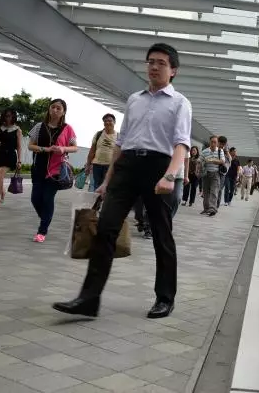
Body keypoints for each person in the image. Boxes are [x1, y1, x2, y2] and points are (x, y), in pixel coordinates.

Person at [53, 43, 191, 319]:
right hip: (127, 167)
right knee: (105, 228)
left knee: (161, 235)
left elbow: (181, 144)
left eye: (161, 63)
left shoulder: (180, 103)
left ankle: (165, 298)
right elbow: (122, 142)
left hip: (158, 167)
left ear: (173, 70)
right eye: (151, 61)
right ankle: (88, 299)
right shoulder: (134, 100)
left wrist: (169, 175)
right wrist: (108, 180)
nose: (154, 67)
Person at [27, 99, 78, 242]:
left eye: (58, 108)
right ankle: (46, 218)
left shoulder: (68, 128)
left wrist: (63, 148)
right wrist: (46, 149)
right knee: (35, 198)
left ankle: (42, 231)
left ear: (63, 112)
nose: (55, 110)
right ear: (49, 109)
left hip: (56, 170)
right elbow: (30, 146)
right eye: (53, 107)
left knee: (48, 198)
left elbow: (75, 147)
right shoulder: (39, 126)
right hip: (38, 168)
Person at [0, 108, 22, 208]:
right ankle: (3, 192)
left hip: (9, 156)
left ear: (13, 116)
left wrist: (19, 161)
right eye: (6, 116)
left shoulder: (17, 130)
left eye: (9, 116)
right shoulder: (0, 127)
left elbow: (19, 147)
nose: (8, 118)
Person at [85, 114, 117, 192]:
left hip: (110, 166)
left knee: (107, 187)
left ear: (114, 122)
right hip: (97, 165)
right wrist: (88, 165)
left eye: (110, 121)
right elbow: (92, 151)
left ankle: (104, 200)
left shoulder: (119, 136)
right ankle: (97, 200)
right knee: (96, 186)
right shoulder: (98, 134)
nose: (107, 122)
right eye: (105, 121)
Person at [200, 136, 224, 216]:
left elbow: (222, 161)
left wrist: (213, 160)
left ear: (217, 143)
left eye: (215, 142)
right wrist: (200, 164)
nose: (213, 144)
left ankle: (213, 208)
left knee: (214, 191)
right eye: (212, 142)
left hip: (215, 174)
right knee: (205, 192)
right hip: (206, 173)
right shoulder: (205, 151)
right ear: (209, 142)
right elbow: (200, 160)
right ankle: (206, 208)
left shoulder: (220, 151)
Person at [216, 136, 230, 208]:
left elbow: (228, 163)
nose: (221, 146)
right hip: (213, 171)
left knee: (219, 189)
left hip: (222, 173)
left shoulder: (226, 153)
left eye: (223, 144)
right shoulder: (214, 149)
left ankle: (216, 205)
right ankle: (212, 205)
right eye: (220, 144)